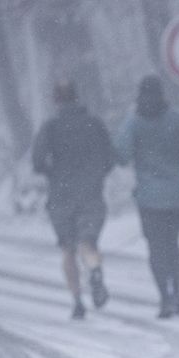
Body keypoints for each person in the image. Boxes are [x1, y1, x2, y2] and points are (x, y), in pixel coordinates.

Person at [115, 75, 179, 318]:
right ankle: (177, 293)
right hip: (178, 193)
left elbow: (121, 154)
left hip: (148, 197)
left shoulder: (134, 123)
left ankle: (164, 298)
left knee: (156, 248)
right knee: (172, 244)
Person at [32, 80, 113, 320]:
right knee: (88, 242)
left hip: (61, 196)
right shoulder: (94, 124)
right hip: (91, 193)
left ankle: (77, 301)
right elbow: (110, 157)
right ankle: (94, 267)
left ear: (56, 100)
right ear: (77, 97)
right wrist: (96, 175)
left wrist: (53, 173)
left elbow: (37, 162)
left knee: (67, 249)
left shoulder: (50, 128)